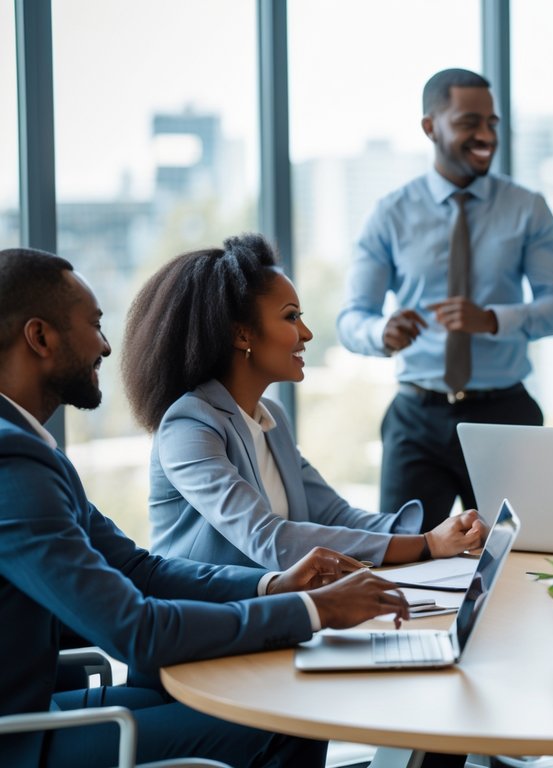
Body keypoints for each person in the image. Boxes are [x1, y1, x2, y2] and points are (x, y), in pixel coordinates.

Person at [0, 247, 410, 768]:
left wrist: (273, 586)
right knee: (288, 716)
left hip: (41, 708)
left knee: (279, 701)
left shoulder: (29, 451)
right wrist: (315, 609)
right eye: (95, 325)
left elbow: (138, 569)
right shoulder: (14, 465)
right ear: (40, 338)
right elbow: (137, 631)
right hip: (22, 740)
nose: (106, 345)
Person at [122, 234, 486, 571]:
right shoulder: (189, 428)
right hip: (207, 615)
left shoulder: (271, 418)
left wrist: (443, 534)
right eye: (291, 317)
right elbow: (270, 539)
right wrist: (426, 545)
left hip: (273, 606)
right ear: (242, 334)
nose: (307, 333)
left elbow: (336, 515)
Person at [338, 68, 553, 530]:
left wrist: (490, 319)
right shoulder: (390, 214)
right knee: (401, 553)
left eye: (492, 123)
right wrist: (381, 332)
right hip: (417, 417)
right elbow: (351, 318)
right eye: (469, 123)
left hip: (505, 418)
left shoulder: (527, 208)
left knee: (520, 551)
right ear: (431, 127)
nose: (486, 135)